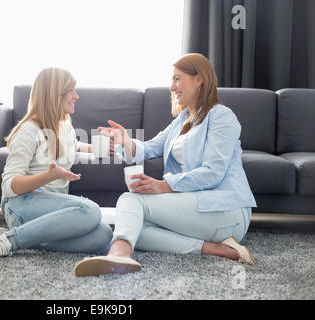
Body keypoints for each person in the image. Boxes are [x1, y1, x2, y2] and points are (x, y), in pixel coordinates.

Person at [74, 53, 258, 277]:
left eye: (178, 79)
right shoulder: (182, 121)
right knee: (132, 224)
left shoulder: (221, 117)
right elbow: (150, 148)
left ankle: (119, 255)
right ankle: (217, 249)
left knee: (130, 200)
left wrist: (164, 186)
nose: (172, 87)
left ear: (199, 79)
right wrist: (126, 141)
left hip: (224, 208)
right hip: (196, 207)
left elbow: (213, 173)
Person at [0, 68, 113, 264]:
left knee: (104, 235)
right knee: (91, 210)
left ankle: (6, 235)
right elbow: (9, 186)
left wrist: (100, 148)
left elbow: (73, 144)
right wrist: (48, 176)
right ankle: (9, 242)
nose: (76, 96)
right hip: (20, 205)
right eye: (70, 91)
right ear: (55, 94)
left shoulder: (65, 123)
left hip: (49, 212)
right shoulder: (29, 130)